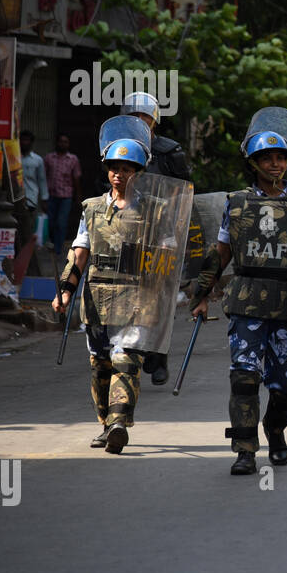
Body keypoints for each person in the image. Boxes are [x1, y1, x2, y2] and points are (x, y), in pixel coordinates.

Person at [191, 108, 287, 475]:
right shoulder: (238, 203)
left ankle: (275, 430)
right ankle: (244, 449)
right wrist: (201, 293)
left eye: (280, 158)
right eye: (267, 158)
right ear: (254, 162)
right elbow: (221, 251)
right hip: (246, 299)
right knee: (244, 376)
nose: (275, 164)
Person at [51, 119, 155, 454]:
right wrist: (65, 290)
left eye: (127, 169)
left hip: (136, 297)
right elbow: (80, 253)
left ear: (138, 172)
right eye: (114, 168)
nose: (119, 175)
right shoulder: (92, 209)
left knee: (126, 362)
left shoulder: (154, 211)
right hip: (97, 296)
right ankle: (105, 423)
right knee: (101, 365)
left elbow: (167, 256)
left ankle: (119, 423)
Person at [120, 91, 193, 386]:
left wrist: (174, 226)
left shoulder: (168, 151)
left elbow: (184, 189)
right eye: (134, 116)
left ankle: (158, 355)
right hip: (128, 232)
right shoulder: (119, 149)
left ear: (154, 120)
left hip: (163, 233)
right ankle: (129, 351)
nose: (140, 121)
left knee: (161, 297)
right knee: (128, 294)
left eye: (145, 117)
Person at [44, 134, 82, 256]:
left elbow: (76, 178)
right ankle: (51, 243)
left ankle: (58, 249)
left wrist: (78, 196)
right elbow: (43, 177)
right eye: (61, 142)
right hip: (51, 195)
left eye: (65, 142)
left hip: (66, 196)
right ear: (57, 143)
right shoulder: (49, 158)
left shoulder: (73, 159)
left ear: (68, 144)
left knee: (61, 223)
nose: (63, 144)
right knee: (50, 223)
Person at [15, 130, 49, 251]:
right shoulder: (14, 158)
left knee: (27, 227)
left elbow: (42, 180)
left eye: (27, 140)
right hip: (14, 197)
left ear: (31, 143)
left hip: (30, 199)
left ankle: (27, 252)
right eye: (22, 140)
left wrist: (44, 199)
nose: (24, 143)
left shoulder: (37, 160)